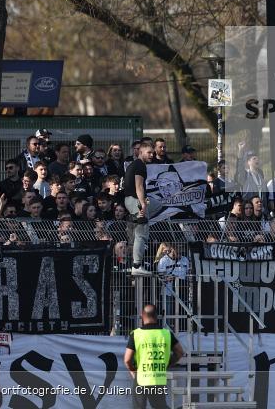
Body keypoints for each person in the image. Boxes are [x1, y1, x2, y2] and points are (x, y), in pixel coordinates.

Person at [123, 304, 184, 409]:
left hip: (141, 378)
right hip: (158, 378)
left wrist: (133, 372)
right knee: (160, 406)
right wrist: (167, 363)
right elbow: (180, 352)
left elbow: (127, 360)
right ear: (156, 316)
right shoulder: (166, 334)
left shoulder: (136, 334)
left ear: (142, 315)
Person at [123, 141, 157, 276]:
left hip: (131, 200)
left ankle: (136, 219)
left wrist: (145, 203)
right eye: (149, 153)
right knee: (141, 234)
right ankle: (136, 265)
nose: (152, 155)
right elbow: (139, 186)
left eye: (153, 153)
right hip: (135, 201)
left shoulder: (135, 164)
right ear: (140, 152)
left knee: (159, 204)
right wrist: (143, 204)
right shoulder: (140, 165)